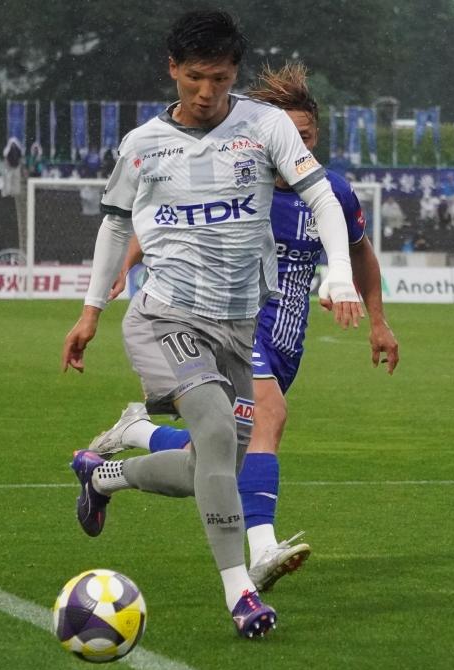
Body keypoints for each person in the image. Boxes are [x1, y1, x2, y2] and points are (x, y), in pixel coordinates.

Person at [60, 10, 363, 639]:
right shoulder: (143, 144)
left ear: (234, 73)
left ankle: (104, 474)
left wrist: (339, 273)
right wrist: (91, 312)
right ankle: (241, 592)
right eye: (195, 77)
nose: (206, 92)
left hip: (238, 326)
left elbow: (321, 196)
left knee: (209, 461)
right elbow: (115, 225)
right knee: (219, 432)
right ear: (172, 68)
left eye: (220, 79)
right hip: (165, 316)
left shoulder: (265, 126)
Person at [88, 62, 399, 596]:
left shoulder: (330, 193)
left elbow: (359, 252)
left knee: (221, 453)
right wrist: (123, 264)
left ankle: (128, 442)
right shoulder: (235, 173)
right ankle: (260, 553)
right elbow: (161, 215)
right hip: (231, 325)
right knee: (267, 420)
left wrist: (379, 321)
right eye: (290, 135)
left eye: (306, 137)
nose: (297, 146)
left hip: (285, 343)